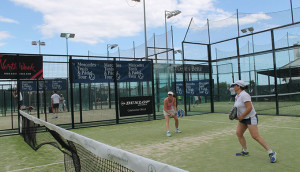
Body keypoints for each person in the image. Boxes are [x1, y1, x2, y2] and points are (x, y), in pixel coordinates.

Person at [232, 80, 277, 163]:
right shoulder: (237, 96)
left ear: (239, 86)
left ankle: (271, 152)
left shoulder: (245, 95)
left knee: (255, 136)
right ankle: (245, 151)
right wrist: (236, 115)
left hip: (250, 117)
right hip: (243, 118)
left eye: (234, 85)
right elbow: (238, 108)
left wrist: (241, 116)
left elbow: (249, 108)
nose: (233, 87)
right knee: (239, 133)